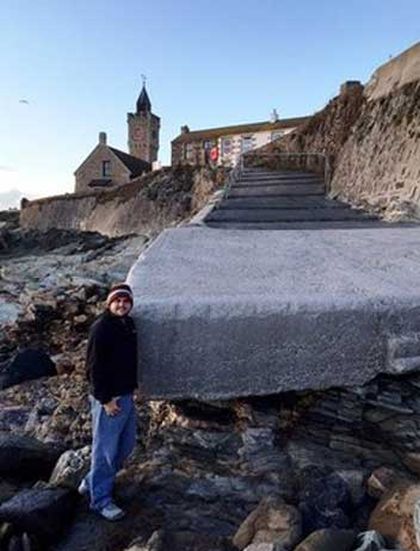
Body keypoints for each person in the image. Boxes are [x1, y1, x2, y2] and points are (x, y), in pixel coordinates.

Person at [78, 282, 138, 521]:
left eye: (126, 301)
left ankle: (91, 481)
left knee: (126, 445)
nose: (121, 304)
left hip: (126, 394)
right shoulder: (101, 328)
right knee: (105, 451)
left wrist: (135, 387)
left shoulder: (128, 325)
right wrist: (105, 400)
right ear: (109, 304)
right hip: (109, 399)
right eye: (117, 301)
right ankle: (100, 500)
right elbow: (92, 367)